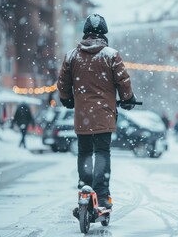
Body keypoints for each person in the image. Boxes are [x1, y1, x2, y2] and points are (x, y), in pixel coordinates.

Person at [57, 14, 137, 210]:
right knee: (102, 152)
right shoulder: (111, 55)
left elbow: (63, 83)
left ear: (85, 33)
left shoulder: (71, 56)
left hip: (82, 115)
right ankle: (101, 195)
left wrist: (67, 98)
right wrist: (127, 99)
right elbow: (123, 81)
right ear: (104, 33)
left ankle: (85, 187)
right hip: (104, 114)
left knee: (84, 151)